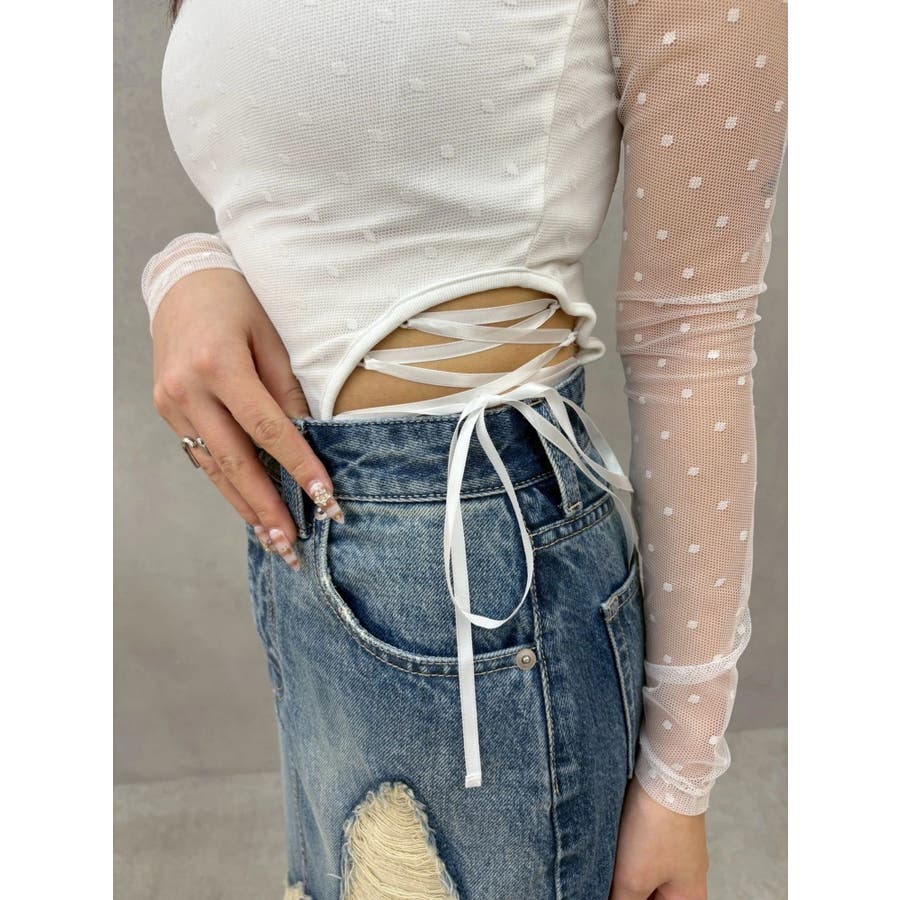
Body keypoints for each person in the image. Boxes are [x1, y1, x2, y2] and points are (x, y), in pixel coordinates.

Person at [141, 1, 788, 897]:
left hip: (483, 579)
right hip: (307, 569)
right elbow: (302, 171)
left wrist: (682, 768)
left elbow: (694, 333)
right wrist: (187, 268)